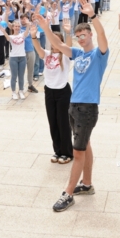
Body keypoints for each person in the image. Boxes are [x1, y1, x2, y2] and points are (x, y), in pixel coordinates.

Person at [36, 0, 108, 213]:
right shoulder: (77, 53)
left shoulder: (99, 54)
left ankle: (68, 193)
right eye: (77, 36)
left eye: (83, 35)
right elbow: (57, 45)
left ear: (90, 35)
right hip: (74, 105)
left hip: (87, 107)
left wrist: (92, 15)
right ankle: (86, 184)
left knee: (77, 152)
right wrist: (46, 27)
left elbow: (103, 36)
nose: (80, 38)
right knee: (85, 145)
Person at [33, 19, 73, 164]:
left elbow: (69, 46)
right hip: (49, 91)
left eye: (58, 41)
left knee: (63, 123)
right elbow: (37, 47)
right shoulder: (47, 54)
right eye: (53, 40)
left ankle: (67, 152)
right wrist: (33, 36)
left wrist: (68, 33)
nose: (55, 44)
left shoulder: (65, 55)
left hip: (63, 91)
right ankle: (57, 151)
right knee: (53, 122)